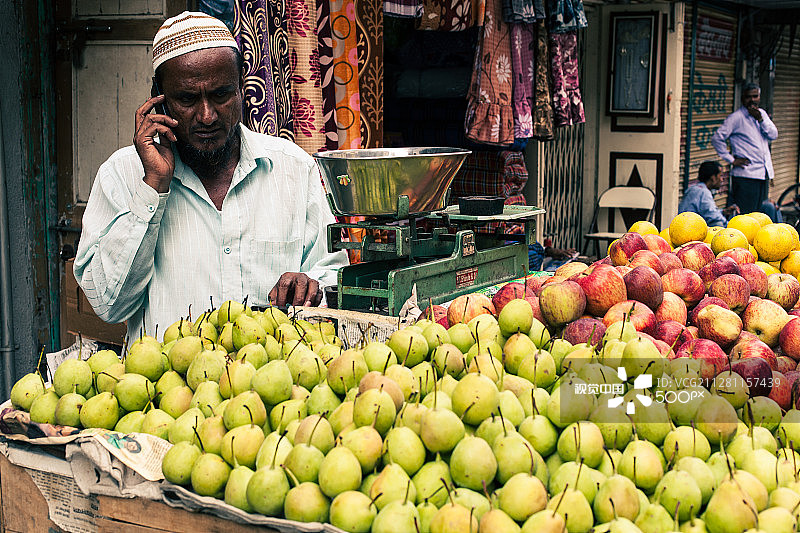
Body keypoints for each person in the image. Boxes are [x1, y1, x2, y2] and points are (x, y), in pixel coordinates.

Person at [73, 12, 349, 341]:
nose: (207, 115)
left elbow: (332, 273)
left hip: (274, 387)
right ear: (157, 99)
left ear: (241, 89)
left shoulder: (294, 169)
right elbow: (109, 306)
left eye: (221, 95)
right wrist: (153, 188)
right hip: (169, 389)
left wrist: (312, 286)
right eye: (187, 99)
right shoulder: (121, 176)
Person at [711, 82, 780, 219]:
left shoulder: (762, 115)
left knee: (759, 214)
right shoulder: (736, 118)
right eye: (749, 97)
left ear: (759, 97)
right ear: (743, 98)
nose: (752, 100)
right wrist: (731, 160)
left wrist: (760, 119)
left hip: (762, 174)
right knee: (745, 216)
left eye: (755, 96)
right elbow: (717, 138)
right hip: (745, 176)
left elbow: (773, 134)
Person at [678, 161, 739, 227]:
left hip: (685, 225)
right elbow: (713, 216)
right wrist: (730, 226)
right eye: (720, 176)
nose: (722, 180)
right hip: (689, 228)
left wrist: (723, 212)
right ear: (713, 178)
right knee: (718, 224)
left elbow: (707, 211)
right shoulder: (703, 192)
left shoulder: (694, 189)